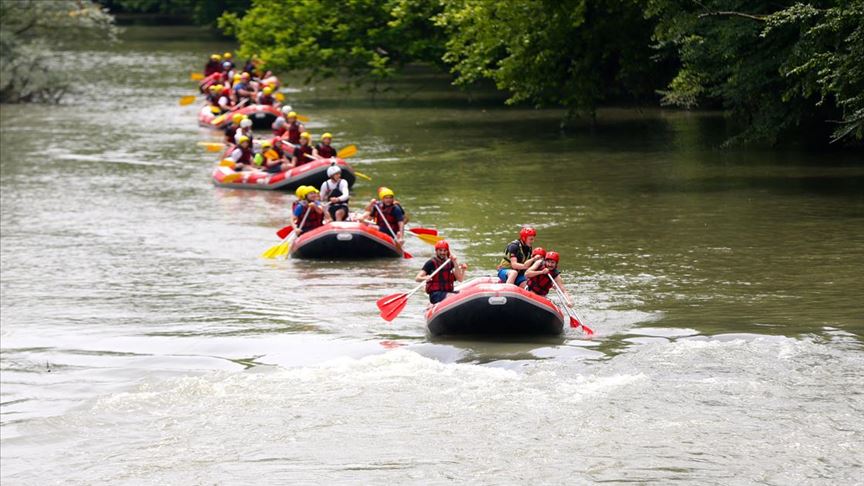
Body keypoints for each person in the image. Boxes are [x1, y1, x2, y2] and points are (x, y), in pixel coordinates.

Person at [415, 240, 467, 304]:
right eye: (440, 250)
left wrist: (455, 262)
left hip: (448, 292)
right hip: (436, 294)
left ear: (447, 251)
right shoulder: (431, 263)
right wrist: (425, 278)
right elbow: (417, 278)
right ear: (436, 251)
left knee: (463, 294)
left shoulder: (450, 262)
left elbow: (460, 279)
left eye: (445, 250)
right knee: (452, 296)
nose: (442, 252)